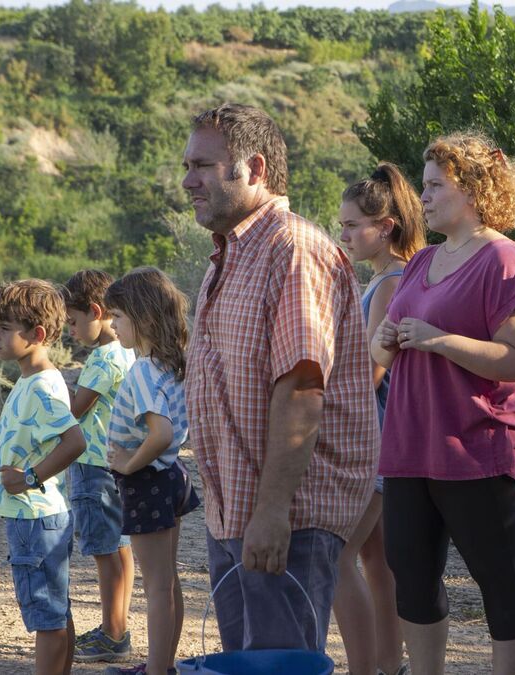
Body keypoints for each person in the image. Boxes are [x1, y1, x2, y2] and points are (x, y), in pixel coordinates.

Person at [181, 103, 379, 653]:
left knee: (279, 665)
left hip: (285, 517)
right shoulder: (227, 257)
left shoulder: (294, 250)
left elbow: (301, 389)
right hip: (234, 515)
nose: (187, 181)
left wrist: (271, 513)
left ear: (256, 168)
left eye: (202, 166)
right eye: (188, 166)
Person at [371, 132, 515, 675]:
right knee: (411, 572)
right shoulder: (421, 262)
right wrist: (389, 340)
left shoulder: (504, 259)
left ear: (471, 188)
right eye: (423, 185)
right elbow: (384, 344)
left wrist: (437, 339)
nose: (421, 197)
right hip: (409, 446)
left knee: (498, 576)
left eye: (433, 185)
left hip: (476, 446)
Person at [334, 162, 425, 675]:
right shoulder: (387, 278)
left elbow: (370, 371)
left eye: (352, 226)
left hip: (373, 443)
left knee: (333, 559)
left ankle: (367, 668)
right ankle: (389, 667)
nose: (343, 235)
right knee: (378, 563)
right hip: (383, 441)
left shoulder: (391, 282)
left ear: (384, 226)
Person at [0, 279, 87, 675]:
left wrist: (29, 477)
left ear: (37, 335)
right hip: (39, 517)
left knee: (46, 617)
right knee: (56, 610)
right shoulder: (34, 378)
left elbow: (73, 441)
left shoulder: (42, 385)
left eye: (4, 328)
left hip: (34, 518)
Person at [101, 267, 198, 675]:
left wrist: (127, 462)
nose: (112, 326)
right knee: (167, 581)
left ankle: (158, 671)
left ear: (141, 318)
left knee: (156, 585)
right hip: (169, 476)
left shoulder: (142, 369)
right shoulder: (172, 362)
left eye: (118, 318)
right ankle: (164, 665)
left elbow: (160, 433)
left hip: (149, 479)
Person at [59, 269, 137, 663]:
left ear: (95, 311)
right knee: (121, 551)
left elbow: (74, 411)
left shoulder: (103, 359)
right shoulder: (128, 349)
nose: (70, 331)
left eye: (73, 322)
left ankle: (112, 634)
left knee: (106, 553)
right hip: (118, 464)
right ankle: (116, 628)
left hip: (93, 466)